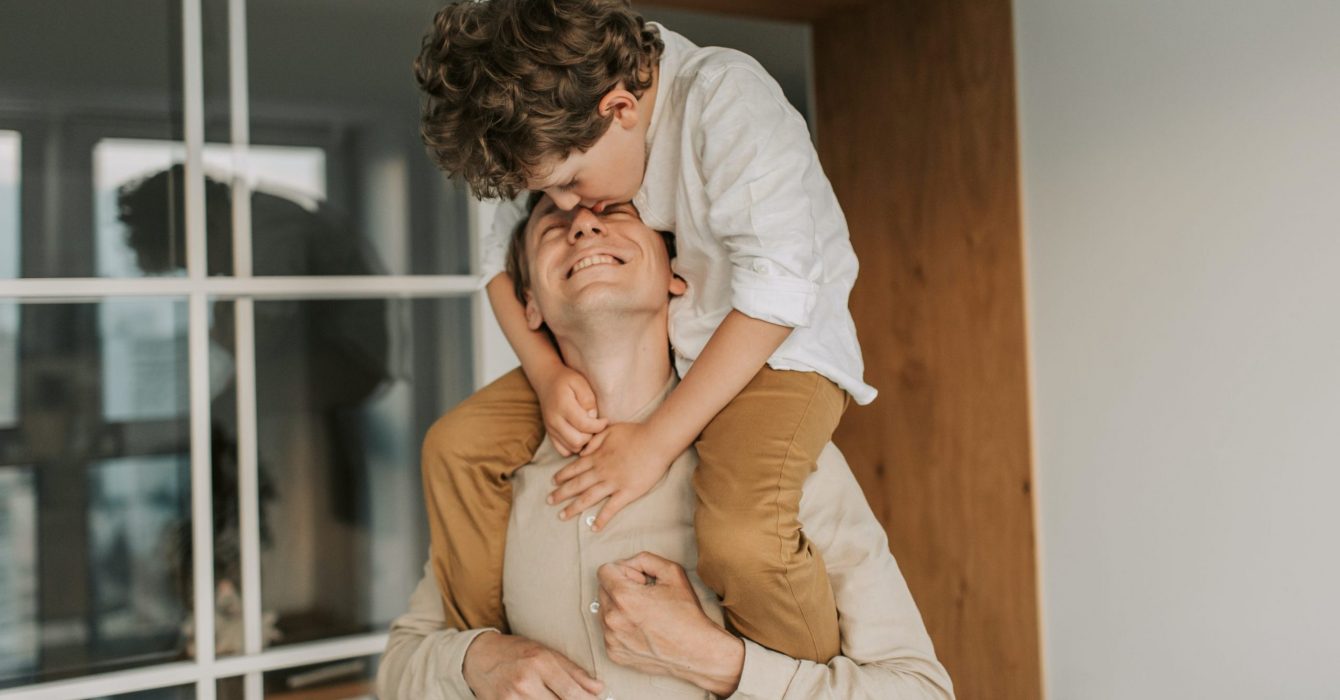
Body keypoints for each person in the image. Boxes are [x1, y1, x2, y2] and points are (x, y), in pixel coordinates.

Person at [413, 0, 874, 663]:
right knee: (456, 447)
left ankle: (782, 677)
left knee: (743, 535)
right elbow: (495, 269)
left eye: (570, 183)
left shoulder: (725, 101)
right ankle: (494, 654)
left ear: (620, 110)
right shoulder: (551, 124)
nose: (567, 208)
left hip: (778, 351)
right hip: (657, 346)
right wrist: (546, 375)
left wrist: (655, 443)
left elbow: (778, 295)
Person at [378, 196, 952, 699]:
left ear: (677, 275)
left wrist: (716, 660)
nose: (582, 225)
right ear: (529, 305)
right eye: (553, 224)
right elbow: (399, 664)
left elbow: (920, 690)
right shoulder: (494, 481)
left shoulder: (776, 465)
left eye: (615, 211)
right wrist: (478, 662)